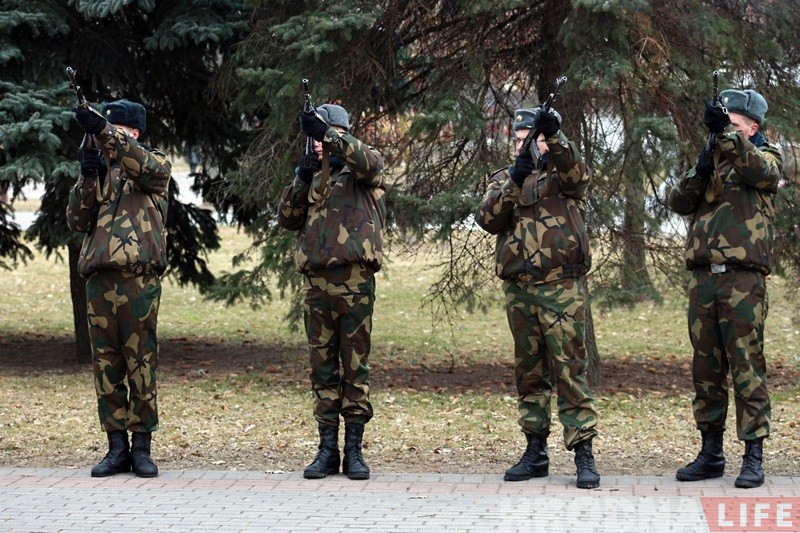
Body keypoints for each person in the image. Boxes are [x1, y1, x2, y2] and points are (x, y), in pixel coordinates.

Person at [476, 107, 600, 489]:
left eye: (533, 137)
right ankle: (535, 452)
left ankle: (583, 454)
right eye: (519, 138)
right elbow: (488, 218)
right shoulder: (504, 178)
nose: (525, 144)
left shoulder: (563, 174)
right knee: (529, 374)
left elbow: (579, 177)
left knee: (570, 370)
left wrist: (556, 140)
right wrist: (514, 177)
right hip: (520, 290)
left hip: (560, 288)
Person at [667, 88, 782, 489]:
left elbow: (759, 171)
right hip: (704, 279)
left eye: (733, 124)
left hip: (743, 280)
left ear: (753, 127)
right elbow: (678, 201)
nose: (725, 131)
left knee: (747, 366)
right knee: (706, 370)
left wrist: (729, 138)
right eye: (723, 123)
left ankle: (753, 455)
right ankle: (711, 452)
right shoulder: (713, 161)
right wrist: (700, 168)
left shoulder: (768, 158)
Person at [278, 103, 385, 480]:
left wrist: (331, 135)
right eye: (314, 137)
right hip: (317, 284)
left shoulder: (361, 171)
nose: (319, 144)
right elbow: (288, 220)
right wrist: (300, 179)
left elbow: (370, 162)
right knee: (322, 369)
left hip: (354, 282)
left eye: (324, 135)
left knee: (355, 367)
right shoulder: (312, 174)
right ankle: (327, 449)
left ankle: (354, 451)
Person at [67, 99, 171, 478]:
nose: (107, 138)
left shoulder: (153, 167)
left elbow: (142, 162)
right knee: (106, 366)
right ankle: (116, 447)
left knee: (141, 362)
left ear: (134, 133)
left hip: (138, 281)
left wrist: (102, 131)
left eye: (115, 130)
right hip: (99, 282)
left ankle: (142, 446)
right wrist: (87, 176)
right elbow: (78, 220)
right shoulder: (103, 170)